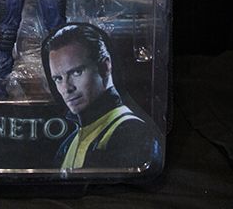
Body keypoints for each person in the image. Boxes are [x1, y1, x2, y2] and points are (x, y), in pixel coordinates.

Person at [42, 23, 163, 170]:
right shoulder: (70, 143)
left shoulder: (132, 132)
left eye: (76, 72)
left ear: (105, 67)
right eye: (58, 79)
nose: (66, 88)